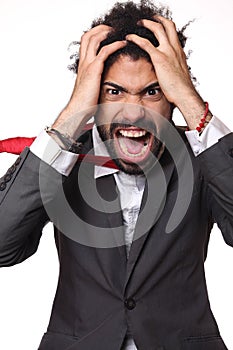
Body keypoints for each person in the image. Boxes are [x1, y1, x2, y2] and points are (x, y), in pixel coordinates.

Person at [0, 0, 232, 349]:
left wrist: (190, 99)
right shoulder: (62, 157)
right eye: (114, 91)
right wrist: (71, 117)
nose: (133, 113)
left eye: (153, 91)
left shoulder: (202, 157)